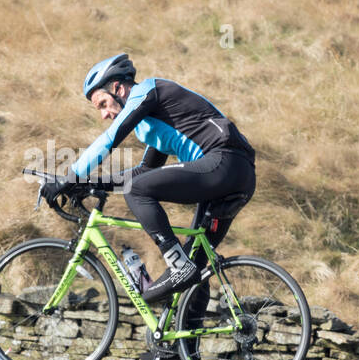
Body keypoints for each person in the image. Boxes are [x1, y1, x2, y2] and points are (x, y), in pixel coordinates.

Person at [40, 52, 256, 319]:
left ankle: (177, 266)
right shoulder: (155, 121)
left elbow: (111, 138)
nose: (105, 115)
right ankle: (177, 358)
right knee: (196, 271)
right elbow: (145, 171)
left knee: (140, 194)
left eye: (103, 104)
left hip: (223, 161)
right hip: (236, 174)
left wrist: (69, 176)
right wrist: (90, 184)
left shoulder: (149, 90)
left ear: (118, 88)